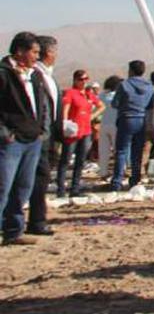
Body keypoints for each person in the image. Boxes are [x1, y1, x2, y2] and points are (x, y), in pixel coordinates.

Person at [0, 32, 47, 245]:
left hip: (32, 139)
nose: (37, 56)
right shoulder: (4, 74)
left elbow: (41, 105)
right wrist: (5, 133)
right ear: (19, 51)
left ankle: (13, 231)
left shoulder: (34, 75)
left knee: (23, 188)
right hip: (11, 140)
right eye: (34, 52)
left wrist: (41, 130)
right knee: (3, 186)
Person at [25, 35, 63, 236]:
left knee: (42, 177)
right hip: (37, 136)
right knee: (34, 178)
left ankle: (37, 219)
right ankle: (35, 221)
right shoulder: (35, 76)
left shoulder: (48, 76)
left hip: (48, 136)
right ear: (49, 52)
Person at [111, 60, 154, 191]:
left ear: (130, 70)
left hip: (126, 118)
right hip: (141, 119)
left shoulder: (124, 85)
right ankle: (135, 179)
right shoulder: (149, 86)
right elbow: (150, 105)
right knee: (137, 152)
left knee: (121, 151)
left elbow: (115, 103)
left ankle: (117, 182)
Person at [58, 70, 100, 198]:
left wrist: (92, 116)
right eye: (81, 79)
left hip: (86, 130)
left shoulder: (88, 94)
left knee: (80, 160)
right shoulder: (70, 93)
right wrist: (65, 123)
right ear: (75, 80)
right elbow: (66, 109)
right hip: (73, 131)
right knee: (66, 160)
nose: (84, 82)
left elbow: (101, 105)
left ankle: (74, 188)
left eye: (86, 79)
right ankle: (61, 189)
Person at [97, 76, 122, 180]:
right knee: (118, 150)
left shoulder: (101, 95)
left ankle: (103, 172)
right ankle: (119, 171)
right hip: (116, 125)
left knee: (103, 150)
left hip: (103, 125)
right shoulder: (119, 96)